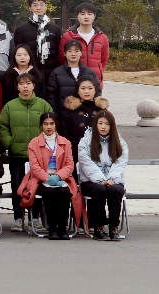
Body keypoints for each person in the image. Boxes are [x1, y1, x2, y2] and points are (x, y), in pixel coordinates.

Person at [0, 71, 53, 232]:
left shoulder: (43, 105)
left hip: (39, 156)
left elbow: (51, 125)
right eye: (21, 84)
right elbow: (2, 126)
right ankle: (18, 218)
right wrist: (9, 142)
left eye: (28, 83)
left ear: (34, 85)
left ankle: (35, 218)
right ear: (17, 87)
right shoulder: (10, 106)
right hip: (17, 155)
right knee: (18, 187)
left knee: (36, 186)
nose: (25, 87)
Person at [18, 112, 86, 240]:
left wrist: (58, 176)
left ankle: (62, 228)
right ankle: (52, 228)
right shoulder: (34, 143)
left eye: (51, 123)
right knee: (50, 193)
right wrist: (47, 178)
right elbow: (34, 166)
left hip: (61, 179)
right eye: (45, 124)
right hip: (41, 180)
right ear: (41, 125)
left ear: (56, 124)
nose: (49, 127)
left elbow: (69, 164)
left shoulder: (66, 142)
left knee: (64, 192)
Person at [78, 110, 128, 240]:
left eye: (107, 124)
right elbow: (85, 162)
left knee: (115, 190)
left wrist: (112, 179)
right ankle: (98, 227)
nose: (103, 127)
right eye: (100, 123)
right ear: (95, 124)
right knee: (99, 190)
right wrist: (99, 179)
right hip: (91, 180)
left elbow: (120, 163)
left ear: (112, 125)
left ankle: (113, 226)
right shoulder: (86, 141)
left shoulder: (119, 142)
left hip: (113, 179)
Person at [46, 39, 102, 111]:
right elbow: (51, 96)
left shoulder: (89, 72)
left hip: (86, 113)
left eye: (76, 51)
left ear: (81, 53)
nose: (73, 54)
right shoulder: (56, 73)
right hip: (63, 113)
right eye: (70, 51)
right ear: (64, 53)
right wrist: (54, 114)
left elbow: (97, 92)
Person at [14, 0, 63, 75]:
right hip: (30, 73)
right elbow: (18, 52)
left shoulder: (55, 29)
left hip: (51, 72)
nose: (39, 8)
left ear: (46, 6)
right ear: (30, 8)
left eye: (42, 5)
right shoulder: (21, 30)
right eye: (35, 5)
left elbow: (58, 52)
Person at [60, 2, 109, 82]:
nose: (86, 17)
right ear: (77, 16)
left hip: (94, 81)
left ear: (94, 16)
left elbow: (104, 59)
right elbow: (62, 57)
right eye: (82, 14)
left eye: (90, 14)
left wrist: (98, 72)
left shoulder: (102, 37)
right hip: (72, 80)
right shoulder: (68, 36)